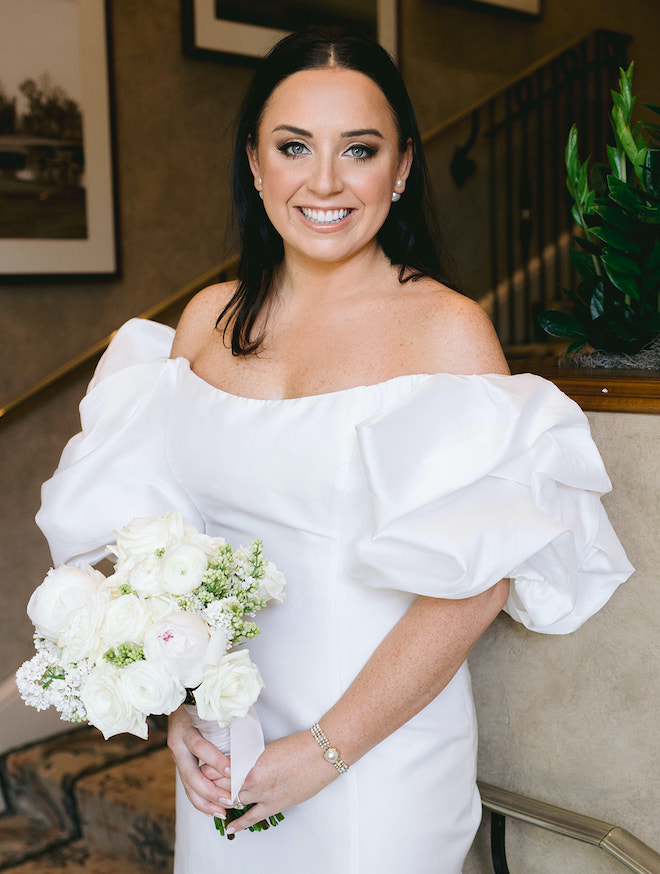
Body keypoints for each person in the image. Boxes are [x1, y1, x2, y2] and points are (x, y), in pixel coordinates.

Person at [36, 27, 633, 874]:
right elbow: (162, 546)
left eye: (358, 149)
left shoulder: (447, 330)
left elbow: (477, 582)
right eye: (293, 147)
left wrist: (325, 750)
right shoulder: (207, 321)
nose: (324, 182)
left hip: (377, 754)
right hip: (228, 745)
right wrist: (175, 700)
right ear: (254, 163)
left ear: (402, 167)